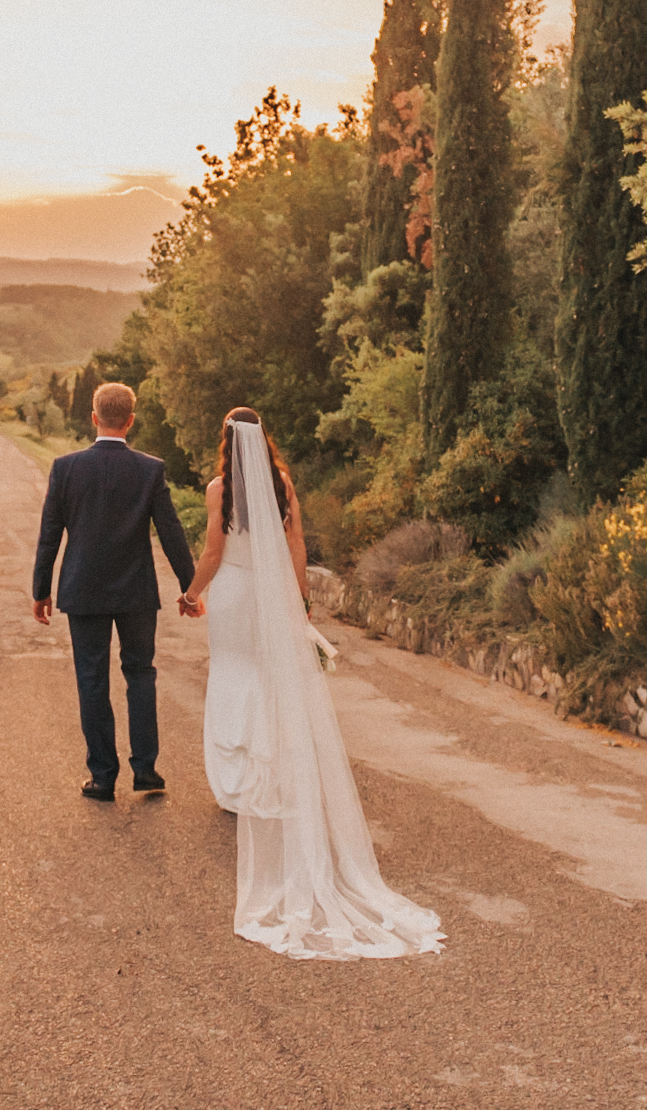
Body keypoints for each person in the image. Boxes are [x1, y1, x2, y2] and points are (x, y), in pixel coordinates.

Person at [180, 408, 444, 961]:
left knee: (232, 677)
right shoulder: (282, 484)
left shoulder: (219, 489)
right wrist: (299, 599)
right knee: (270, 682)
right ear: (263, 439)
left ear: (226, 442)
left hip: (234, 594)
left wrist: (192, 593)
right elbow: (296, 545)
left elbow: (213, 551)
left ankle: (236, 783)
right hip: (270, 595)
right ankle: (271, 774)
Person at [32, 381, 198, 801]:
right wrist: (190, 589)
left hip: (83, 590)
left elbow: (49, 534)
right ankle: (146, 771)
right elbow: (171, 533)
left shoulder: (66, 468)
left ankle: (103, 777)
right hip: (136, 592)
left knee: (91, 679)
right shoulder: (149, 470)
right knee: (140, 674)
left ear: (94, 418)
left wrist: (41, 589)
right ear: (130, 421)